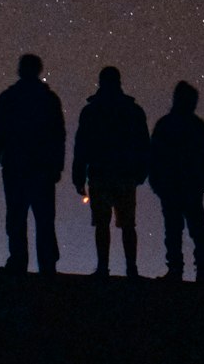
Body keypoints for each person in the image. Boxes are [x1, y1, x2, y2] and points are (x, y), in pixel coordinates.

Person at [0, 54, 66, 275]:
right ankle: (47, 264)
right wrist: (57, 164)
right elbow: (58, 135)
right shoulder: (49, 99)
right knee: (44, 218)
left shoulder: (9, 97)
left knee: (16, 217)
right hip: (41, 168)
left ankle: (18, 261)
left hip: (16, 166)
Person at [72, 65, 150, 279]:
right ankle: (131, 270)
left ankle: (103, 268)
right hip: (125, 174)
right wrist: (142, 171)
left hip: (100, 173)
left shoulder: (92, 111)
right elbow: (144, 143)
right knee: (127, 224)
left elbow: (82, 145)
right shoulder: (132, 110)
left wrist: (78, 175)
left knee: (102, 223)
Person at [149, 80, 204, 283]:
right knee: (193, 230)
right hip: (186, 187)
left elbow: (154, 157)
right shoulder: (197, 127)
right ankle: (198, 271)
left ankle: (177, 270)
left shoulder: (165, 125)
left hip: (174, 187)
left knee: (176, 230)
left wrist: (157, 183)